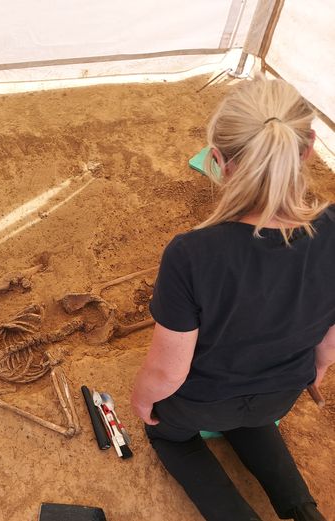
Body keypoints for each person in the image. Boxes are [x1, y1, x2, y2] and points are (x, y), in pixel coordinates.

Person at [131, 76, 334, 521]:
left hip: (201, 401)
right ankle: (303, 511)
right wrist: (315, 371)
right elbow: (328, 341)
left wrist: (143, 399)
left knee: (171, 435)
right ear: (310, 147)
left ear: (218, 161)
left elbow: (168, 371)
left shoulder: (191, 253)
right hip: (279, 394)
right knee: (253, 418)